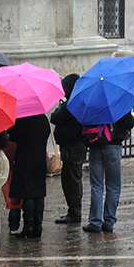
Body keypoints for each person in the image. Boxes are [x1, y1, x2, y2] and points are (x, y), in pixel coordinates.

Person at [82, 110, 134, 234]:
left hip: (95, 145)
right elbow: (129, 122)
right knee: (113, 186)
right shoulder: (116, 101)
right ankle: (109, 221)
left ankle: (95, 222)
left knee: (96, 186)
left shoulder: (92, 102)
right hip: (113, 146)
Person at [50, 73, 86, 225]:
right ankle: (73, 210)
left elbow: (55, 117)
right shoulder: (73, 102)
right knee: (71, 177)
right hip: (70, 144)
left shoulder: (74, 103)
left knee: (72, 178)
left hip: (73, 145)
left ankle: (75, 212)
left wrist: (60, 107)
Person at [8, 112, 51, 239]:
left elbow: (12, 135)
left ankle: (29, 226)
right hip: (40, 159)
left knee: (27, 193)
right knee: (39, 192)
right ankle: (38, 226)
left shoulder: (22, 119)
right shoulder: (43, 119)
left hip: (24, 159)